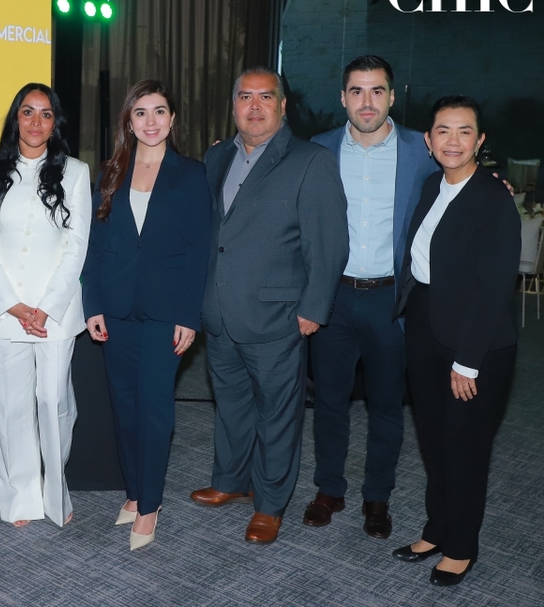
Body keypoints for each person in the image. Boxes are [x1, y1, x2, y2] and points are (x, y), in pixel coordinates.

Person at [190, 67, 348, 545]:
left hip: (279, 316)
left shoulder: (310, 161)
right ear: (233, 104)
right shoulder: (216, 156)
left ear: (282, 105)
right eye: (244, 97)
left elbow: (330, 244)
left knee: (278, 414)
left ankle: (270, 503)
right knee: (232, 406)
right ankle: (232, 482)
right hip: (219, 312)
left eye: (265, 97)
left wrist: (314, 309)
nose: (254, 106)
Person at [304, 55, 441, 538]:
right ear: (343, 97)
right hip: (333, 299)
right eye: (357, 91)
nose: (367, 102)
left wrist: (496, 184)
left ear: (392, 96)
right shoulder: (316, 150)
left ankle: (377, 498)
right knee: (330, 402)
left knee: (387, 406)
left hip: (392, 302)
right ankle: (329, 488)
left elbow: (462, 179)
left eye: (377, 91)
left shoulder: (421, 152)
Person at [392, 96, 520, 586]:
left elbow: (495, 287)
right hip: (425, 324)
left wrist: (468, 361)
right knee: (432, 440)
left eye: (464, 131)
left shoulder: (493, 198)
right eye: (442, 130)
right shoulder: (430, 185)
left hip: (476, 340)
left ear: (480, 140)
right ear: (428, 140)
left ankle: (462, 545)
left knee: (464, 446)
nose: (452, 140)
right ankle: (437, 527)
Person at [81, 80, 210, 550]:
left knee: (154, 410)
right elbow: (96, 244)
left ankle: (151, 506)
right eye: (141, 113)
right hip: (115, 310)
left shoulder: (191, 174)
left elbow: (198, 252)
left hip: (164, 313)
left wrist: (188, 314)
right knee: (124, 407)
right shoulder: (111, 172)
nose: (151, 121)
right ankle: (134, 493)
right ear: (128, 121)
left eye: (159, 111)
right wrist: (92, 303)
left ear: (172, 119)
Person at [0, 84, 91, 528]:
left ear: (55, 122)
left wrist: (46, 305)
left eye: (45, 114)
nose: (36, 122)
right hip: (4, 311)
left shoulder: (76, 172)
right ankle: (19, 499)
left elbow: (76, 246)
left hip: (55, 312)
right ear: (15, 118)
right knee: (11, 406)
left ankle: (55, 496)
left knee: (53, 400)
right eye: (27, 112)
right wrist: (14, 305)